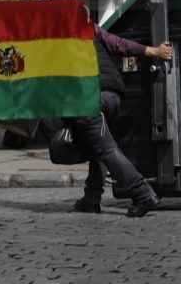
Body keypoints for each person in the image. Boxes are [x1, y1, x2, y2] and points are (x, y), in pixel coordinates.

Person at [69, 25, 172, 217]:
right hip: (112, 95)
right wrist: (153, 51)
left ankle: (143, 194)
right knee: (98, 147)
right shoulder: (87, 27)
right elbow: (118, 44)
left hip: (88, 97)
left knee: (105, 149)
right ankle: (91, 199)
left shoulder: (53, 40)